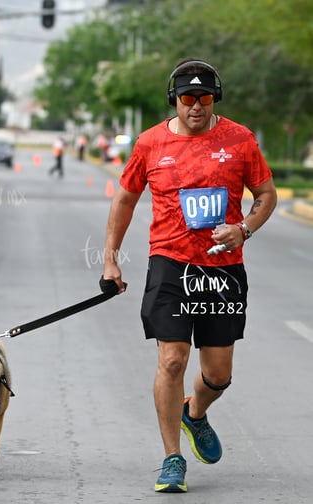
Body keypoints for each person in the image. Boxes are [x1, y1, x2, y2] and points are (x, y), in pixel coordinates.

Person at [101, 58, 277, 493]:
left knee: (218, 374)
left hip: (223, 269)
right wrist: (110, 259)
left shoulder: (240, 140)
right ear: (174, 100)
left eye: (204, 97)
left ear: (214, 99)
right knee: (173, 358)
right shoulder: (150, 143)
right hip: (171, 263)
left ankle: (194, 412)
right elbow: (124, 200)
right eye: (186, 98)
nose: (195, 106)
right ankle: (172, 459)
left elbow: (267, 194)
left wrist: (244, 229)